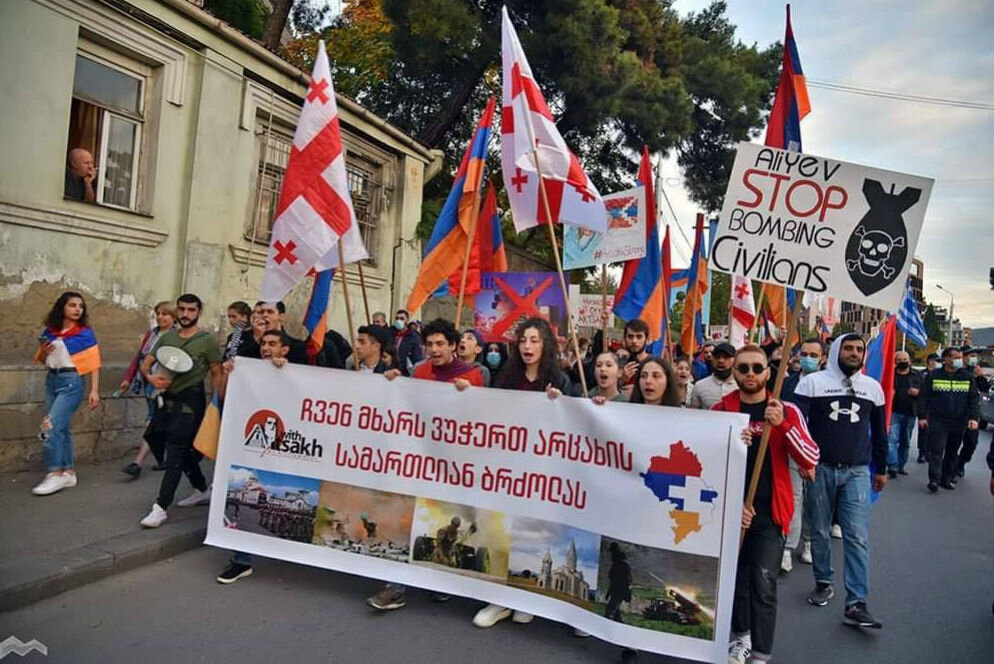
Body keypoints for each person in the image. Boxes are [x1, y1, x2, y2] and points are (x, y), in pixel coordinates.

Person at [366, 318, 484, 611]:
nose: (434, 349)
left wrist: (468, 396)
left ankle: (438, 581)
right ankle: (396, 587)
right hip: (419, 459)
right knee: (410, 517)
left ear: (453, 346)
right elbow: (407, 405)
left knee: (438, 522)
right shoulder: (419, 372)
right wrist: (394, 383)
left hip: (453, 464)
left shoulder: (473, 375)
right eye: (429, 344)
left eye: (440, 344)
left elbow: (482, 420)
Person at [713, 345, 819, 664]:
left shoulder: (786, 409)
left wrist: (784, 425)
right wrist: (730, 443)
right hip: (731, 510)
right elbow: (705, 461)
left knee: (763, 580)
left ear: (768, 372)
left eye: (756, 368)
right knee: (735, 579)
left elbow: (811, 457)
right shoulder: (721, 411)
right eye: (743, 368)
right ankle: (741, 637)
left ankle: (761, 652)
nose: (750, 374)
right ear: (734, 372)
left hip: (771, 513)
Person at [473, 317, 568, 628]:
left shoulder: (560, 381)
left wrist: (562, 405)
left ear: (545, 345)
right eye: (524, 341)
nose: (528, 346)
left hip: (540, 471)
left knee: (531, 533)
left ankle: (527, 599)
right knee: (501, 529)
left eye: (535, 341)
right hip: (507, 469)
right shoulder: (506, 378)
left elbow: (573, 425)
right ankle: (498, 599)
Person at [793, 334, 887, 629]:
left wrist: (881, 469)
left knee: (857, 535)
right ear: (836, 351)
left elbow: (880, 432)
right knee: (819, 530)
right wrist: (803, 462)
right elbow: (796, 425)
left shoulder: (873, 388)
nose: (855, 353)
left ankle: (856, 602)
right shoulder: (812, 383)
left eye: (859, 349)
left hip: (857, 471)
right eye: (848, 348)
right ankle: (823, 581)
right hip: (819, 469)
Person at [216, 329, 294, 584]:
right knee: (240, 496)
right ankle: (241, 560)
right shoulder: (245, 371)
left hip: (284, 447)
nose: (266, 347)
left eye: (273, 343)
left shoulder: (295, 374)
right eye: (263, 343)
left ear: (284, 350)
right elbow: (225, 398)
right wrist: (227, 376)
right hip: (248, 443)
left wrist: (284, 372)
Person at [139, 294, 221, 528]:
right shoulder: (168, 337)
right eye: (182, 309)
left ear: (199, 312)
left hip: (190, 403)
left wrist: (213, 404)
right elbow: (146, 365)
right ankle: (201, 488)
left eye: (191, 310)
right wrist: (151, 378)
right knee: (161, 442)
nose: (186, 314)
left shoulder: (207, 341)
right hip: (165, 401)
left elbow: (216, 372)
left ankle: (160, 507)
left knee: (175, 453)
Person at [31, 291, 102, 495]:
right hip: (52, 379)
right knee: (61, 428)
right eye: (72, 305)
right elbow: (43, 360)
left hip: (71, 381)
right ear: (62, 307)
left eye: (80, 306)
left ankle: (54, 473)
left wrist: (94, 390)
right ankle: (68, 472)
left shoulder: (84, 333)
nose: (77, 309)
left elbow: (94, 363)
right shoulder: (51, 332)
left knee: (49, 427)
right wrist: (44, 352)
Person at [780, 338, 824, 569]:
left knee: (815, 501)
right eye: (804, 353)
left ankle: (809, 541)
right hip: (793, 449)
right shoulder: (788, 384)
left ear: (823, 359)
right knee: (794, 499)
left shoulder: (829, 385)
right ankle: (787, 547)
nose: (807, 358)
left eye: (813, 355)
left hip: (819, 452)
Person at [120, 301, 177, 478]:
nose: (160, 317)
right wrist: (128, 378)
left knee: (153, 420)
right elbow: (139, 357)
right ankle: (164, 459)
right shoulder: (152, 334)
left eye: (165, 314)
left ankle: (138, 462)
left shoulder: (176, 336)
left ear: (174, 317)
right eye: (158, 313)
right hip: (147, 381)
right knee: (161, 422)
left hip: (164, 384)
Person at [918, 346, 979, 492]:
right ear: (946, 359)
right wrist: (922, 416)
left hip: (959, 421)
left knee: (952, 451)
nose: (958, 360)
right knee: (936, 450)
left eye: (959, 357)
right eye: (955, 357)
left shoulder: (967, 377)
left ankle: (946, 478)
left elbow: (973, 399)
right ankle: (934, 479)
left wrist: (974, 418)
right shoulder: (934, 376)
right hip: (938, 420)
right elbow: (924, 397)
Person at [953, 346, 991, 477]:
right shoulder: (956, 370)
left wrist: (979, 377)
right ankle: (950, 467)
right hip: (955, 414)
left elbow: (985, 389)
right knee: (953, 442)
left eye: (975, 356)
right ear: (962, 357)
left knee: (971, 443)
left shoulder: (976, 371)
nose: (974, 358)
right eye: (971, 355)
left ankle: (961, 462)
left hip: (972, 415)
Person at [886, 350, 922, 478]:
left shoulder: (917, 375)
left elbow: (925, 392)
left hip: (910, 413)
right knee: (892, 439)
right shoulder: (890, 374)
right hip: (894, 412)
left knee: (905, 441)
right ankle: (893, 465)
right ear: (895, 362)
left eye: (905, 360)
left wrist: (918, 392)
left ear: (910, 361)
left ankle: (901, 465)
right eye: (899, 360)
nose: (903, 362)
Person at [689, 342, 737, 410]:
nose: (721, 360)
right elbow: (693, 415)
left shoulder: (742, 387)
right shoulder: (699, 386)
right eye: (717, 357)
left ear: (734, 360)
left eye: (726, 357)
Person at [619, 319, 651, 397]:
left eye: (639, 337)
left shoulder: (656, 364)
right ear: (624, 339)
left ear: (647, 340)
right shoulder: (616, 362)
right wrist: (621, 381)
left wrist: (638, 390)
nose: (634, 341)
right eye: (630, 336)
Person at [393, 309, 424, 375]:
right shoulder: (392, 333)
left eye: (402, 318)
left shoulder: (414, 337)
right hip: (392, 370)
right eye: (397, 318)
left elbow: (418, 358)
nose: (399, 321)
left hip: (406, 372)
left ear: (407, 320)